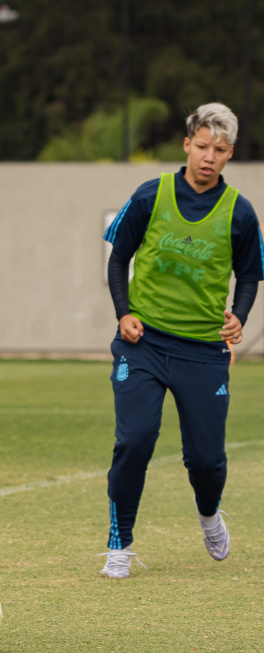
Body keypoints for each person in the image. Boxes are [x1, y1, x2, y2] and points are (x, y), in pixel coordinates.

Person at [100, 102, 264, 578]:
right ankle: (119, 545)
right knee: (134, 440)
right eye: (202, 146)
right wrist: (123, 312)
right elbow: (118, 259)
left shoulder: (240, 213)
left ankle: (209, 514)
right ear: (186, 144)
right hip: (143, 344)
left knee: (207, 460)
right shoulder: (151, 196)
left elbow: (250, 276)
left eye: (219, 149)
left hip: (204, 353)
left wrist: (241, 318)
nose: (208, 157)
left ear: (229, 153)